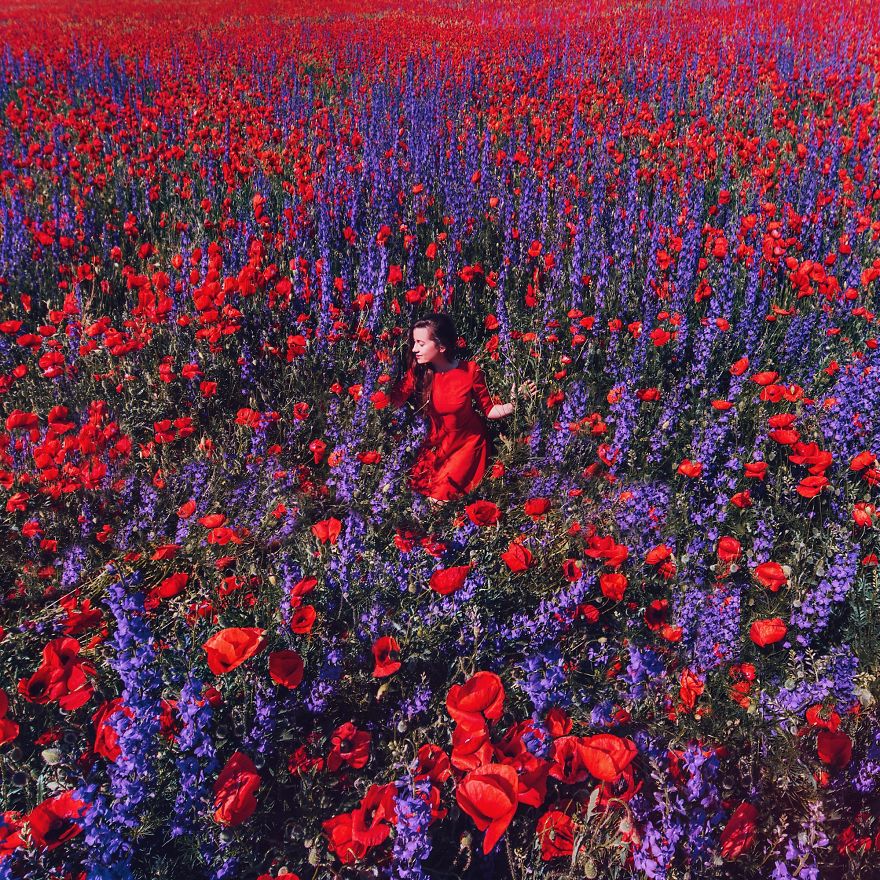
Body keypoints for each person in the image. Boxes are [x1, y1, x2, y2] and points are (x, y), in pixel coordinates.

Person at [390, 313, 537, 505]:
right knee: (413, 498)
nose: (415, 349)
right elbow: (392, 402)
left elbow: (489, 410)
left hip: (467, 445)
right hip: (436, 445)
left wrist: (516, 403)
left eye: (421, 343)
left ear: (441, 347)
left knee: (437, 501)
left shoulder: (470, 371)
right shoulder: (418, 372)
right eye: (414, 342)